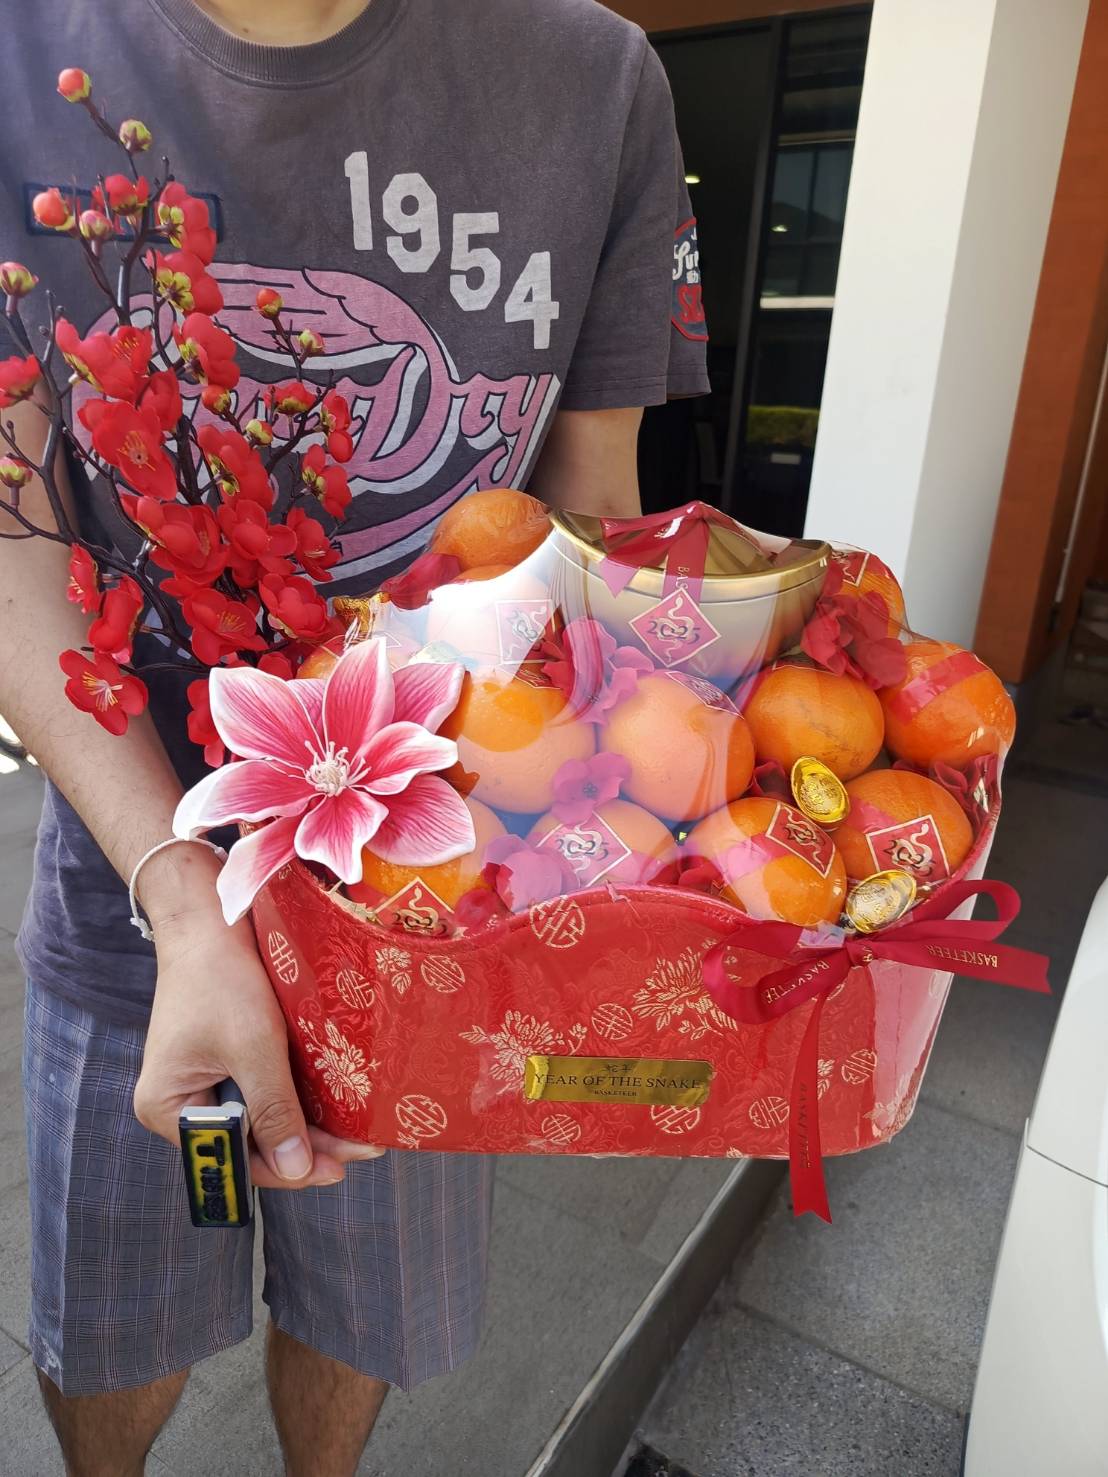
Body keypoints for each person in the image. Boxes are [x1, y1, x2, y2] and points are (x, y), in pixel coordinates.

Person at [0, 0, 709, 1471]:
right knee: (122, 1305)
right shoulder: (20, 55)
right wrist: (182, 897)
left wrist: (609, 862)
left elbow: (587, 526)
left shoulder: (597, 83)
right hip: (137, 866)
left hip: (439, 900)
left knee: (368, 1300)